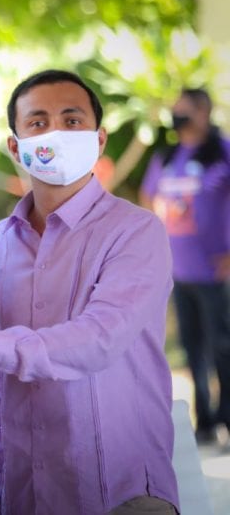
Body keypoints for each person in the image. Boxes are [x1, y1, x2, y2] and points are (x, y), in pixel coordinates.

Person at [0, 70, 179, 515]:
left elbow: (99, 339)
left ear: (98, 139)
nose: (55, 131)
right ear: (15, 147)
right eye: (37, 122)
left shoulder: (136, 231)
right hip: (24, 492)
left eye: (72, 120)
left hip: (123, 491)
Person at [140, 88, 230, 444]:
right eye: (174, 111)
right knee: (193, 348)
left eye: (185, 111)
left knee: (223, 346)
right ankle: (205, 421)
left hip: (215, 271)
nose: (178, 117)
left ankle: (227, 417)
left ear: (204, 112)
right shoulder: (167, 156)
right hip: (178, 271)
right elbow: (148, 197)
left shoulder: (221, 153)